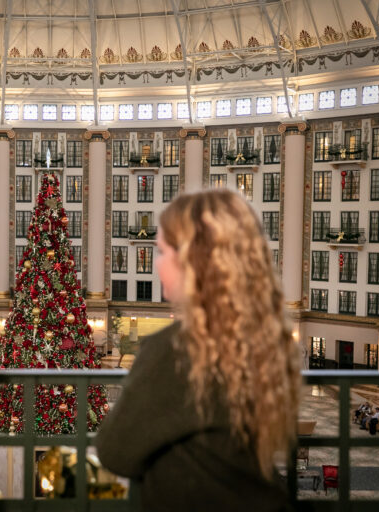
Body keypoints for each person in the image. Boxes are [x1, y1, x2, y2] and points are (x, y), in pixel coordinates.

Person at [95, 190, 301, 511]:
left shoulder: (174, 349)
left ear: (192, 261)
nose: (156, 263)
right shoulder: (261, 339)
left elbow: (115, 452)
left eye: (162, 252)